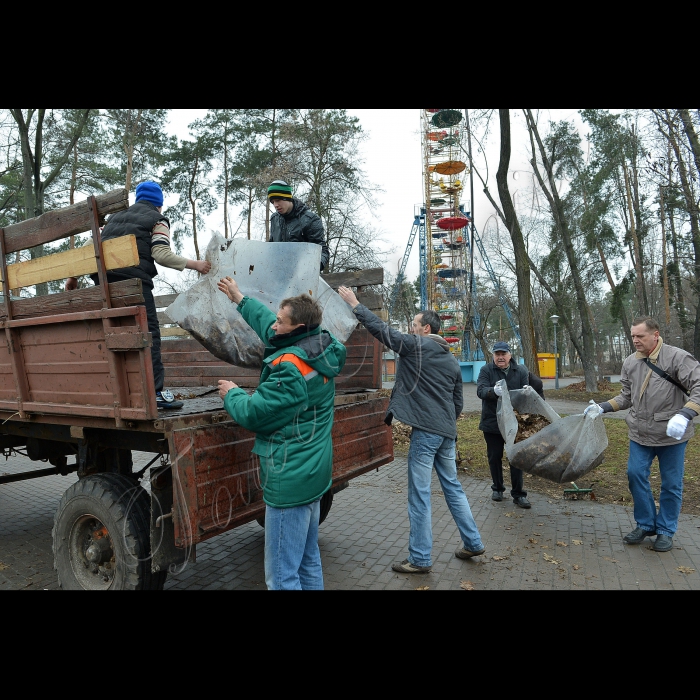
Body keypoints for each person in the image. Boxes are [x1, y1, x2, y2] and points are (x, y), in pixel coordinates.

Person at [337, 285, 485, 573]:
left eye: (414, 325)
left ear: (425, 328)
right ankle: (473, 542)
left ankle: (419, 559)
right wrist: (444, 423)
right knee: (453, 488)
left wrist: (356, 304)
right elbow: (457, 402)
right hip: (446, 433)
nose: (410, 329)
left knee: (419, 494)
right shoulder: (450, 359)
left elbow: (385, 332)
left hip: (427, 433)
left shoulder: (420, 345)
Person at [217, 276, 346, 590]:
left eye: (281, 322)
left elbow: (256, 414)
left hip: (290, 482)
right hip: (314, 474)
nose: (274, 326)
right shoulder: (322, 347)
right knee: (307, 559)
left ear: (298, 328)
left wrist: (232, 394)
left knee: (282, 577)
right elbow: (270, 327)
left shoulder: (290, 368)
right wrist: (239, 297)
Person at [65, 181, 211, 410]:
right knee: (148, 334)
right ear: (159, 205)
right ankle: (156, 393)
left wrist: (72, 276)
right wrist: (196, 265)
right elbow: (161, 254)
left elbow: (90, 244)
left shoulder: (114, 218)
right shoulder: (157, 220)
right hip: (134, 285)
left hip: (104, 286)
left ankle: (118, 390)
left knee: (115, 334)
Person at [584, 316, 700, 552]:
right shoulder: (630, 362)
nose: (635, 340)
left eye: (640, 336)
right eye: (633, 336)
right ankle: (646, 524)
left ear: (655, 335)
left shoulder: (678, 357)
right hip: (639, 433)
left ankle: (666, 530)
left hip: (672, 434)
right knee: (635, 475)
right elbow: (626, 396)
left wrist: (685, 414)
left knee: (671, 484)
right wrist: (603, 407)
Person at [476, 341, 544, 508]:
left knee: (516, 458)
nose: (500, 357)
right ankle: (498, 488)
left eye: (503, 354)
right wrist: (493, 391)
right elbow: (480, 391)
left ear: (510, 355)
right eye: (497, 354)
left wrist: (528, 392)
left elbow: (526, 395)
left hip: (514, 422)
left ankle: (519, 494)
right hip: (492, 421)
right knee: (494, 457)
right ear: (493, 356)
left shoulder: (520, 370)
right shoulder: (486, 370)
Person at [268, 180, 330, 272]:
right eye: (272, 202)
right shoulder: (274, 219)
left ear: (287, 198)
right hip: (278, 275)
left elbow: (322, 251)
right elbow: (271, 247)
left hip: (303, 277)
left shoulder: (310, 219)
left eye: (278, 200)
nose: (275, 205)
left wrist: (313, 266)